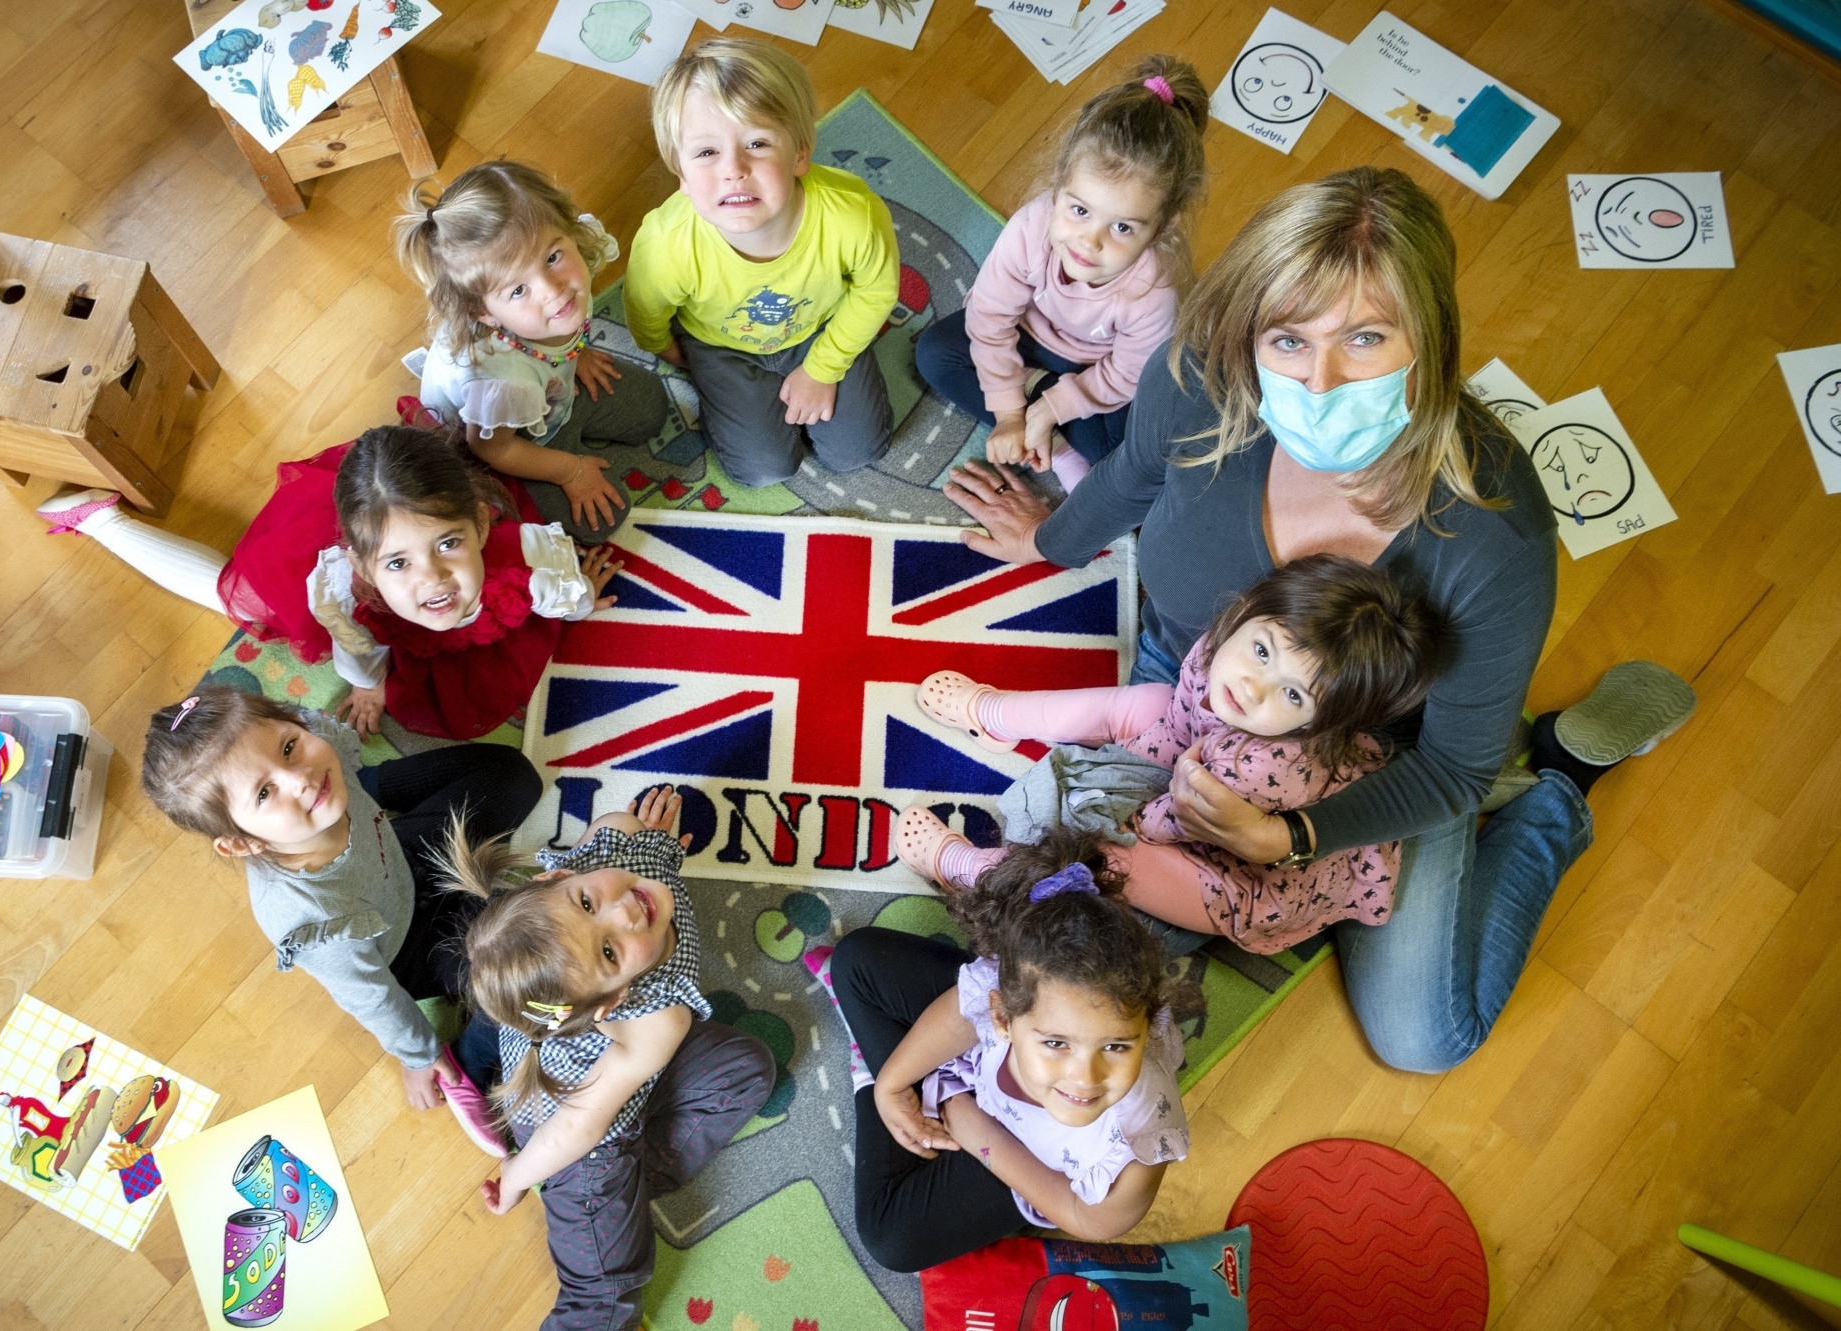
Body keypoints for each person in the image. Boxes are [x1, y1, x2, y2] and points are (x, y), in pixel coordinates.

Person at [941, 167, 1697, 1072]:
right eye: (1289, 338)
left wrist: (1288, 839)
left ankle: (1559, 784)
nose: (1323, 380)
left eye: (1367, 338)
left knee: (1422, 1040)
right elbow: (1131, 479)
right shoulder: (1197, 377)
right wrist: (1051, 541)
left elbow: (1450, 765)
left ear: (1433, 340)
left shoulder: (1494, 535)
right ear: (1248, 326)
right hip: (1190, 690)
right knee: (1069, 911)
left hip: (1369, 758)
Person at [902, 554, 1444, 954]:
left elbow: (1170, 824)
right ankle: (998, 714)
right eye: (1262, 651)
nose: (1253, 688)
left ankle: (971, 870)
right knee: (1148, 701)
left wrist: (1123, 809)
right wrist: (1137, 753)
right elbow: (1179, 717)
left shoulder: (1264, 766)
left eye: (1294, 694)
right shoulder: (1219, 650)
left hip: (1237, 874)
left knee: (1101, 857)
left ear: (1317, 723)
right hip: (1202, 780)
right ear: (1250, 609)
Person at [434, 786, 775, 1331]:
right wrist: (518, 1176)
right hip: (578, 1143)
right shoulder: (658, 1020)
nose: (623, 910)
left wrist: (653, 845)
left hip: (619, 1079)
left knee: (747, 1068)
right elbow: (575, 1127)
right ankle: (613, 1198)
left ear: (556, 876)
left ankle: (640, 1182)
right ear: (614, 999)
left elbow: (617, 840)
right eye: (610, 951)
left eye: (587, 902)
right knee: (607, 1293)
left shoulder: (612, 841)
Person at [38, 425, 619, 741]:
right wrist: (368, 688)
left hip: (480, 589)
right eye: (399, 564)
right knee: (237, 594)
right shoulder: (345, 594)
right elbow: (357, 653)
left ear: (481, 524)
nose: (435, 580)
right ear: (366, 568)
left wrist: (579, 593)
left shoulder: (526, 554)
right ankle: (101, 519)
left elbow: (565, 594)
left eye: (449, 544)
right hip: (363, 597)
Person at [137, 686, 543, 1112]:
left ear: (296, 724)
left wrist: (350, 778)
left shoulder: (319, 770)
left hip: (402, 852)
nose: (299, 778)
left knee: (512, 773)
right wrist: (419, 1055)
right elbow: (373, 997)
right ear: (241, 843)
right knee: (518, 978)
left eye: (289, 746)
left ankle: (370, 783)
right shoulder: (315, 924)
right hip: (408, 943)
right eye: (263, 793)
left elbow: (308, 764)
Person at [833, 830, 1187, 1272]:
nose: (1085, 1077)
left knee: (891, 1240)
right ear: (1001, 1017)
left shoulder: (1141, 1137)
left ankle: (887, 1072)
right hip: (997, 1043)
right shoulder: (1000, 996)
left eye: (1116, 1045)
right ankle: (898, 1078)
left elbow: (1088, 1218)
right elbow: (959, 1012)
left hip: (1028, 1164)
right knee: (856, 959)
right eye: (1057, 1044)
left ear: (1148, 1024)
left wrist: (964, 1119)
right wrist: (890, 1086)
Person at [914, 55, 1206, 491]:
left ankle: (1039, 403)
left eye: (1123, 227)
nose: (1090, 242)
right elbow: (990, 321)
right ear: (1057, 184)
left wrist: (1051, 407)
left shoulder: (1154, 289)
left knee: (1127, 452)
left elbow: (1126, 375)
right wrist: (1011, 415)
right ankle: (1055, 442)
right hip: (1025, 335)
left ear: (1162, 228)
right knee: (935, 353)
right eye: (1080, 210)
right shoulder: (1031, 227)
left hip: (1095, 366)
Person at [624, 38, 900, 488]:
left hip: (817, 329)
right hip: (719, 347)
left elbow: (876, 290)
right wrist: (683, 358)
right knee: (763, 469)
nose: (733, 169)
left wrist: (823, 367)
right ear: (682, 176)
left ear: (800, 152)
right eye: (707, 152)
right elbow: (646, 317)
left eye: (757, 143)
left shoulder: (853, 214)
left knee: (859, 451)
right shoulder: (665, 245)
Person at [394, 159, 673, 544]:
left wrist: (578, 354)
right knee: (603, 524)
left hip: (552, 394)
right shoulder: (501, 381)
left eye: (553, 256)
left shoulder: (567, 286)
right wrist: (569, 471)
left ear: (569, 230)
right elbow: (490, 448)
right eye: (517, 289)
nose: (552, 289)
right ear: (486, 314)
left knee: (652, 407)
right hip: (507, 439)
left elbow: (565, 318)